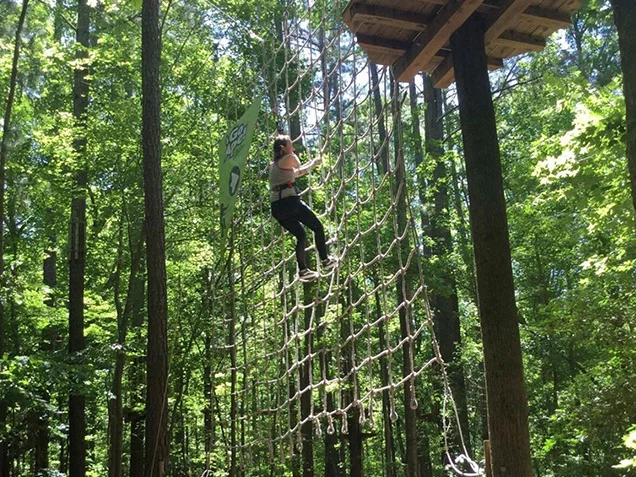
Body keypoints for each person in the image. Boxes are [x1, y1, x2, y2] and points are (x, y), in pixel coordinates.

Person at [269, 134, 337, 281]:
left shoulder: (274, 165)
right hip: (290, 203)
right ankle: (325, 260)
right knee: (317, 227)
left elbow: (297, 173)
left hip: (277, 207)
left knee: (301, 235)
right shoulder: (288, 158)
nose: (293, 146)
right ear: (283, 148)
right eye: (290, 144)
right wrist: (287, 147)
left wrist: (313, 164)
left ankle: (303, 270)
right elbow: (297, 164)